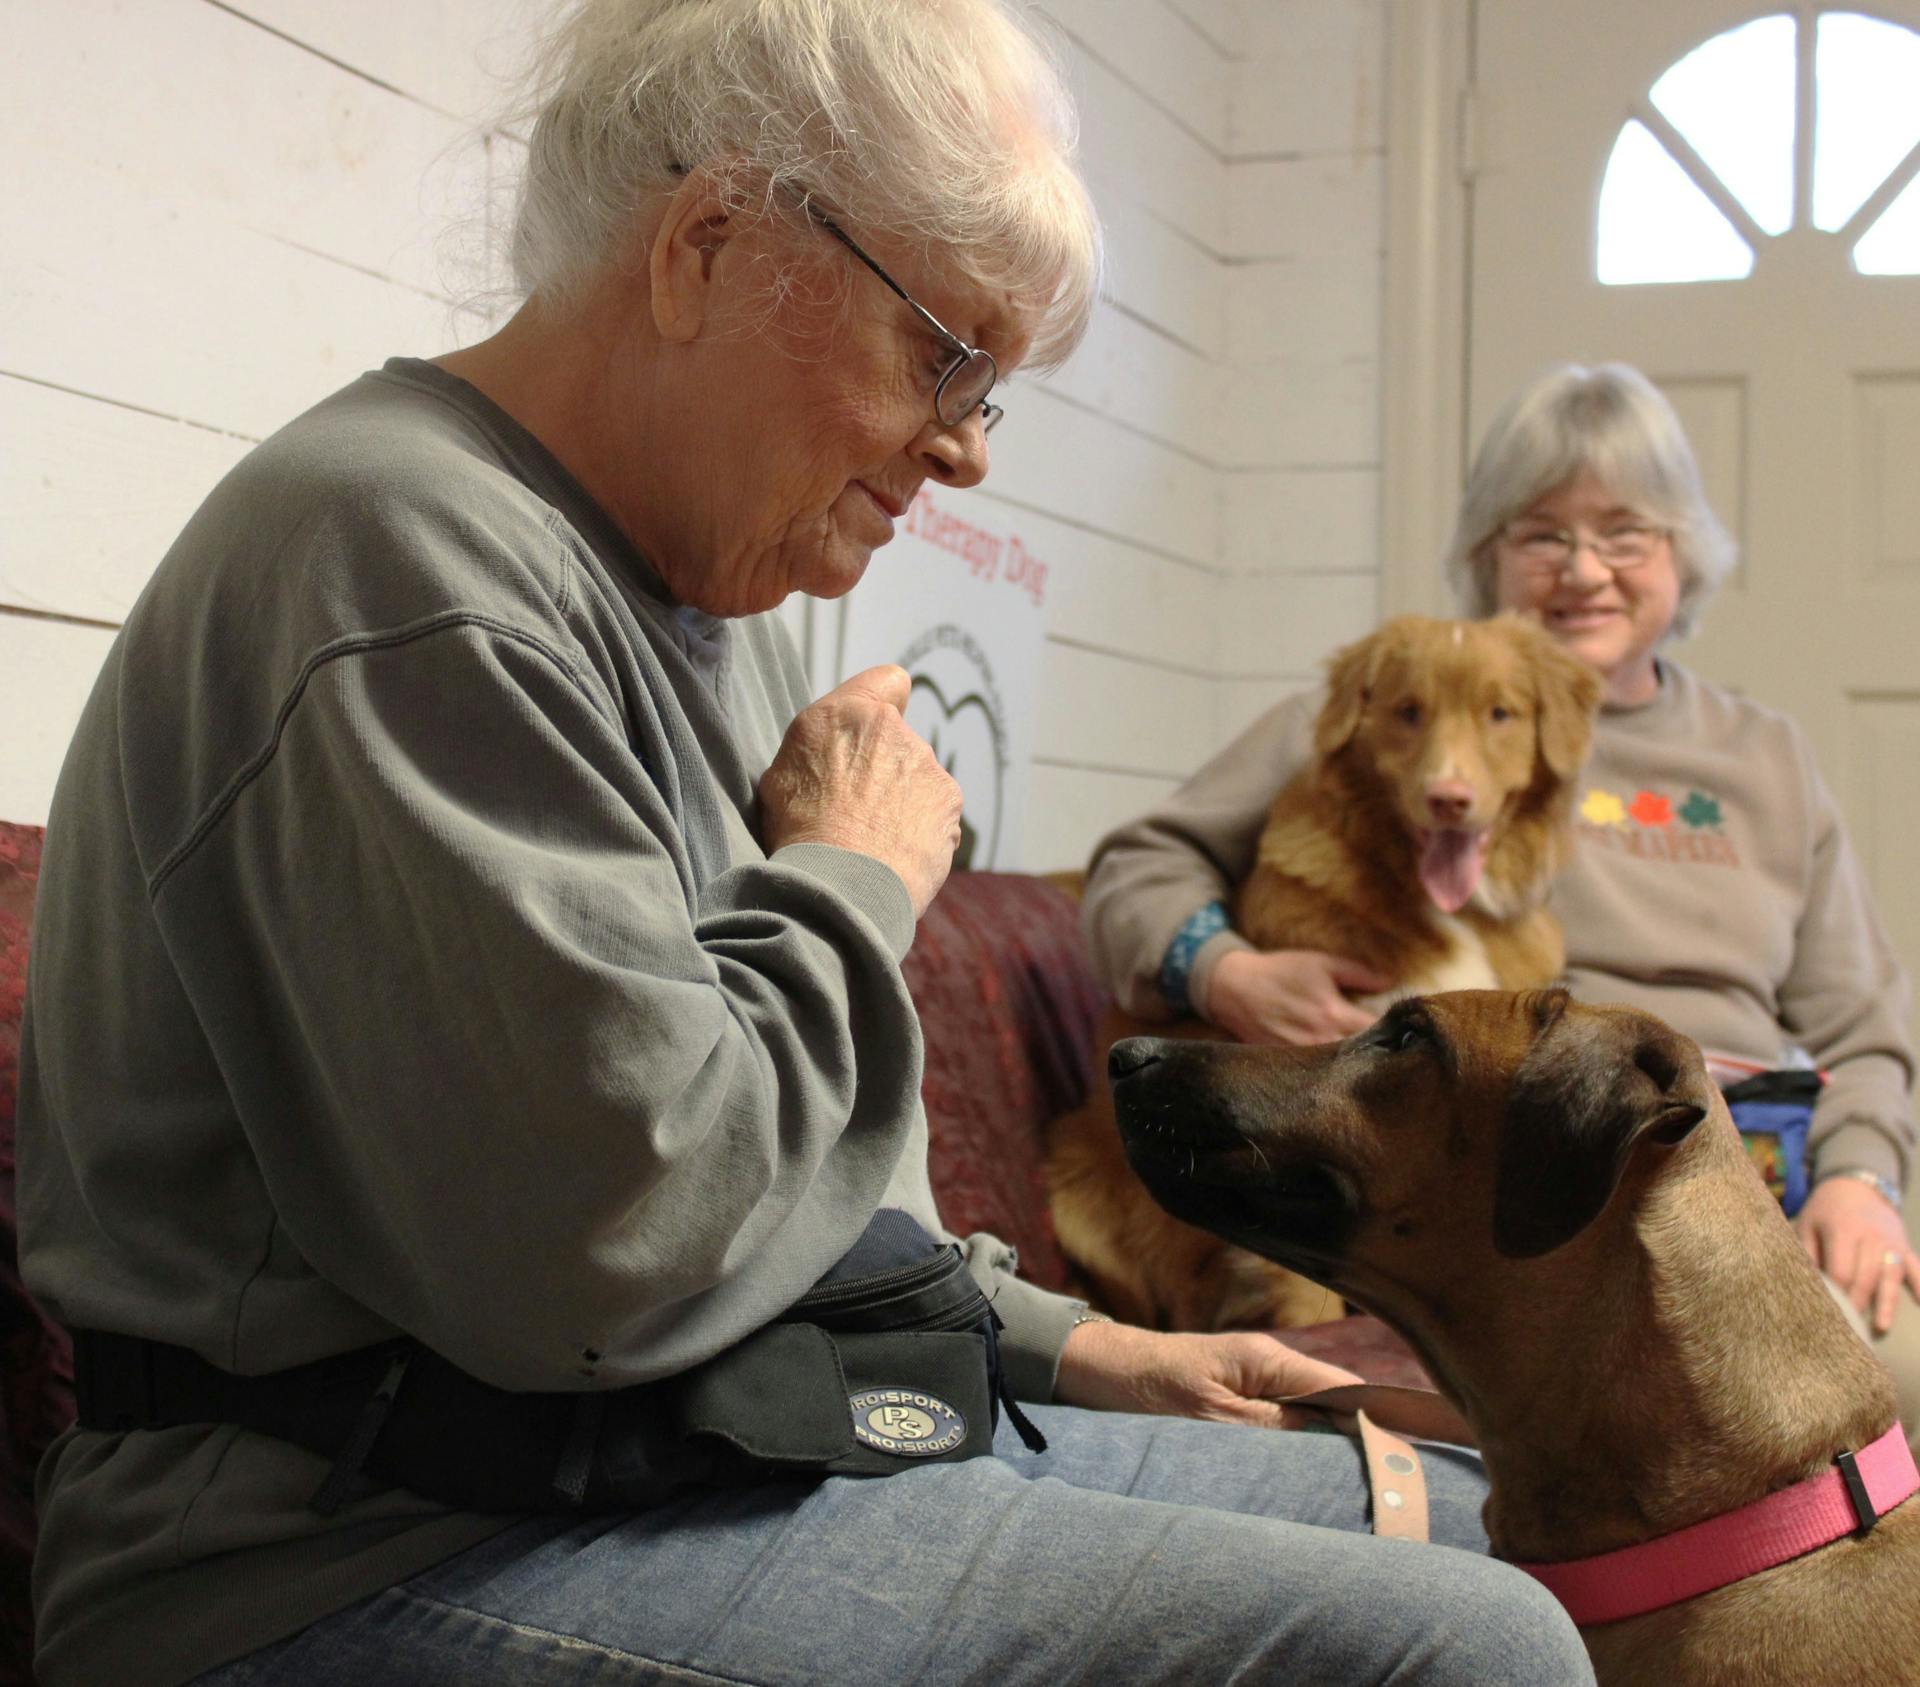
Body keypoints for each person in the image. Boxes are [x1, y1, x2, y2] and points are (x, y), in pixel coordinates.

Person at [15, 3, 1595, 1684]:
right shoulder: (396, 563)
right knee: (1471, 1648)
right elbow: (612, 1259)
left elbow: (807, 1193)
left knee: (1489, 1514)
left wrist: (1074, 1346)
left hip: (680, 1457)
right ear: (708, 245)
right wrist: (851, 873)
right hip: (349, 1555)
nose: (970, 449)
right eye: (945, 359)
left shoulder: (720, 589)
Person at [1082, 360, 1920, 1439]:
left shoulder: (1765, 757)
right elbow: (1137, 869)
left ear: (1682, 554)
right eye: (1541, 535)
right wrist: (1225, 968)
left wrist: (1861, 1181)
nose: (1584, 571)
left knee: (1891, 1385)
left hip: (1753, 1181)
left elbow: (1865, 1027)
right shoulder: (1404, 712)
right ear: (1488, 555)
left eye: (1626, 532)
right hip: (1535, 1189)